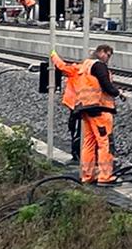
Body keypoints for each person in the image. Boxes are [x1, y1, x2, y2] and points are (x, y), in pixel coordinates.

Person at [51, 44, 122, 184]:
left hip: (85, 109)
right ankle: (105, 176)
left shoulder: (84, 66)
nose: (108, 59)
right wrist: (118, 93)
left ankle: (87, 175)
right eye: (108, 55)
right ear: (101, 52)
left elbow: (63, 66)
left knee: (88, 143)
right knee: (104, 143)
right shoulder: (98, 66)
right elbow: (106, 85)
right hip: (100, 109)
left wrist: (53, 54)